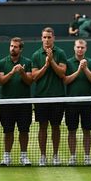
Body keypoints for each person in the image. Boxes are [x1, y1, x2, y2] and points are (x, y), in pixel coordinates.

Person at [31, 27, 67, 166]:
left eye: (49, 37)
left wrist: (51, 61)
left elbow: (62, 74)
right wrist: (46, 65)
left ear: (54, 38)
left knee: (56, 126)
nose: (47, 40)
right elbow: (34, 76)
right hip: (41, 97)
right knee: (42, 127)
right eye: (44, 37)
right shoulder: (36, 55)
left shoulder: (61, 53)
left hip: (58, 96)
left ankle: (56, 155)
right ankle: (43, 156)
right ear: (41, 38)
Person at [0, 37, 33, 166]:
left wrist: (22, 72)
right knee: (8, 131)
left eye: (16, 46)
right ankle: (7, 157)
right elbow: (0, 81)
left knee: (24, 131)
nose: (13, 48)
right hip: (7, 103)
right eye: (11, 46)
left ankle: (23, 156)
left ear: (21, 49)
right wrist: (12, 72)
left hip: (24, 103)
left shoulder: (27, 62)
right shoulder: (2, 63)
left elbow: (29, 81)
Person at [63, 39, 91, 166]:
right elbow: (65, 80)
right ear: (74, 48)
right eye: (78, 47)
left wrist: (86, 68)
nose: (80, 49)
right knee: (72, 131)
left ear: (86, 48)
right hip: (71, 103)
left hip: (88, 103)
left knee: (87, 131)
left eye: (82, 47)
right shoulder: (68, 63)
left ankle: (87, 157)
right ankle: (73, 157)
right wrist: (78, 70)